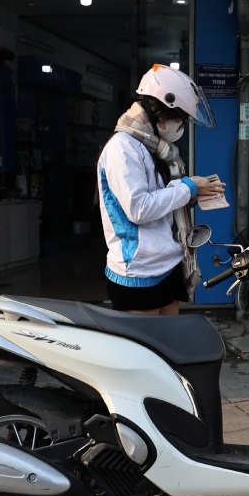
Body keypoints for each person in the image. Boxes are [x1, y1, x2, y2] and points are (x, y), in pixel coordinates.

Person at [97, 63, 224, 315]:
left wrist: (192, 195)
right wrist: (188, 187)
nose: (180, 125)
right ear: (158, 112)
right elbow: (139, 209)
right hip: (138, 271)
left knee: (169, 336)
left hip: (169, 261)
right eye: (178, 118)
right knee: (146, 341)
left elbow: (162, 198)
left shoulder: (155, 147)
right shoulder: (122, 149)